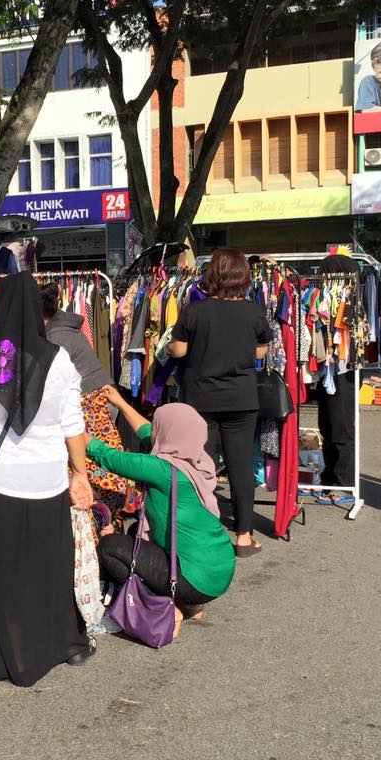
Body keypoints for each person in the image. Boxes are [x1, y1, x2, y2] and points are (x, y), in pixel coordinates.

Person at [0, 272, 93, 686]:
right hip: (49, 481)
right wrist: (81, 474)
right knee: (50, 565)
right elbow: (72, 425)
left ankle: (8, 656)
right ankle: (65, 644)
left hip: (1, 483)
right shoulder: (57, 360)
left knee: (6, 571)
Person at [87, 390, 235, 635]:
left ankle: (161, 607)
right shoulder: (198, 459)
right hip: (218, 570)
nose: (154, 432)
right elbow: (148, 434)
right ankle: (192, 605)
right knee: (136, 531)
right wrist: (120, 403)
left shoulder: (162, 469)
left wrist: (65, 427)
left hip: (193, 577)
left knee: (110, 547)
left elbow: (107, 456)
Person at [169, 247, 271, 555]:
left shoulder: (195, 311)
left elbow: (178, 351)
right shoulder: (254, 311)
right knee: (240, 467)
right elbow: (260, 352)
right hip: (241, 398)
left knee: (202, 465)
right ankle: (243, 535)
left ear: (213, 275)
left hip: (200, 398)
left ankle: (204, 531)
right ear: (243, 276)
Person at [41, 282, 130, 530]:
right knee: (100, 468)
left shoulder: (55, 338)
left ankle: (104, 530)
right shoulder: (65, 329)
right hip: (98, 402)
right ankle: (109, 527)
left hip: (89, 407)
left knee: (89, 471)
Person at [316, 251, 360, 505]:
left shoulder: (349, 300)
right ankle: (329, 478)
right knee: (327, 425)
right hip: (329, 368)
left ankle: (343, 483)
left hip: (343, 369)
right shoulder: (328, 296)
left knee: (341, 427)